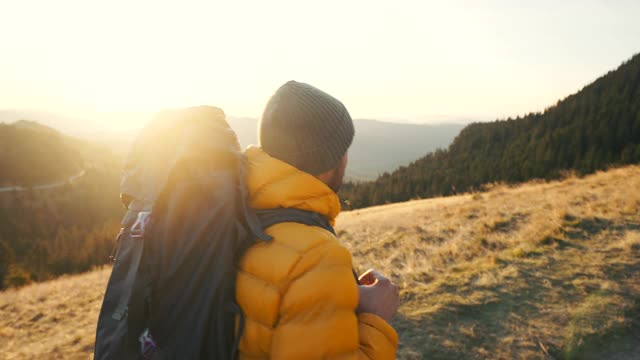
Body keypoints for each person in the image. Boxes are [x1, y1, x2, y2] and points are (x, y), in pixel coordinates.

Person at [236, 81, 400, 359]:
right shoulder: (317, 257)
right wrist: (377, 318)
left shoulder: (239, 207)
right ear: (329, 161)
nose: (347, 158)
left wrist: (334, 297)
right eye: (343, 148)